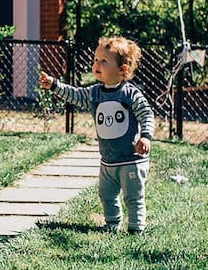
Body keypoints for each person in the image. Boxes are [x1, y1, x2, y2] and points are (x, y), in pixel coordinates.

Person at [40, 36, 154, 233]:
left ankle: (136, 228)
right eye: (95, 59)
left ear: (123, 69)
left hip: (131, 160)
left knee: (133, 196)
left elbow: (146, 113)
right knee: (106, 194)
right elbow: (74, 94)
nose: (97, 64)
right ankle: (112, 225)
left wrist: (145, 136)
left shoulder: (129, 93)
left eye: (104, 61)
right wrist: (54, 85)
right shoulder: (94, 93)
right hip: (108, 160)